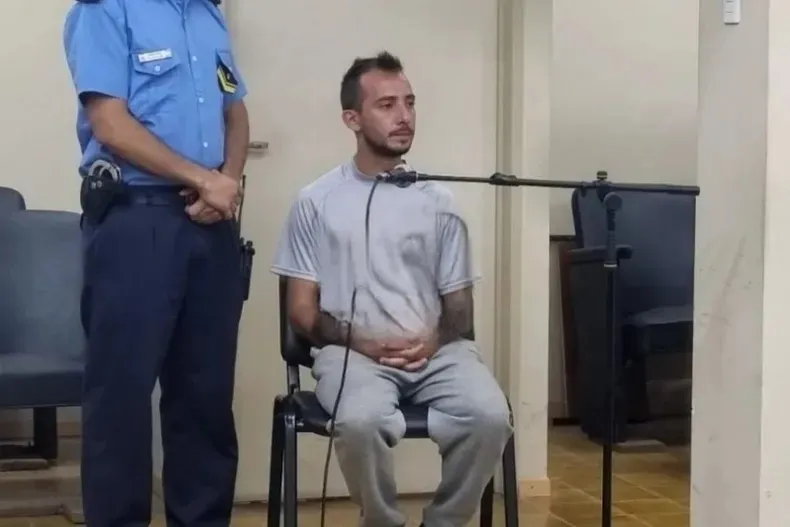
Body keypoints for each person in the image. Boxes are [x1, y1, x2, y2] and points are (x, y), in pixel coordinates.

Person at [271, 51, 513, 527]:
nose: (404, 116)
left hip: (438, 352)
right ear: (352, 119)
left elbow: (460, 310)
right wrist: (360, 340)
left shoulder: (440, 200)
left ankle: (443, 523)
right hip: (352, 353)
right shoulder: (315, 201)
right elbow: (300, 310)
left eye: (410, 102)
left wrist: (433, 340)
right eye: (386, 105)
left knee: (490, 418)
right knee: (360, 423)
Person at [63, 0, 249, 525]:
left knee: (204, 395)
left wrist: (227, 180)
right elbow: (111, 124)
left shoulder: (208, 14)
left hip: (209, 222)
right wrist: (202, 178)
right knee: (120, 398)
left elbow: (234, 110)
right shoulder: (106, 10)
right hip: (135, 217)